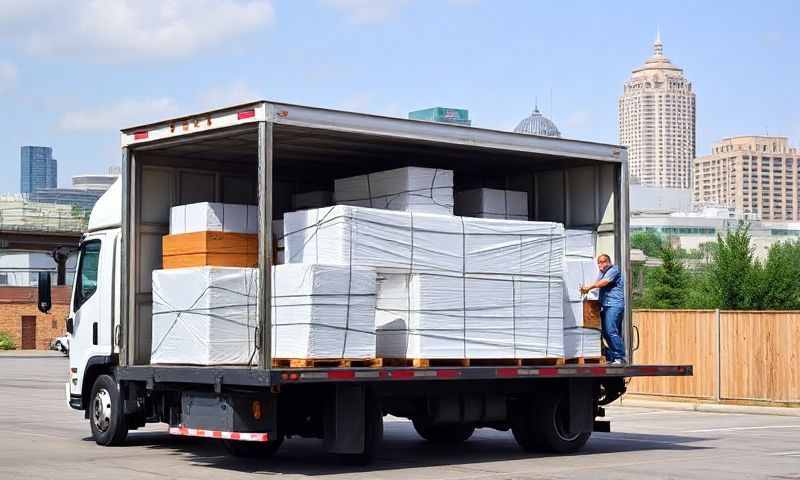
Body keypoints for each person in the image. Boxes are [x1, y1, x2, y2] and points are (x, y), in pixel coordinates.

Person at [580, 254, 626, 365]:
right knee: (605, 332)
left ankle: (620, 357)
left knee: (611, 331)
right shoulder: (603, 273)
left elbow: (603, 283)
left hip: (614, 305)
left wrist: (588, 288)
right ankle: (612, 356)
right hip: (606, 305)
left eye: (604, 261)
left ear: (609, 262)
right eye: (599, 262)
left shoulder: (614, 270)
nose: (601, 264)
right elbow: (598, 284)